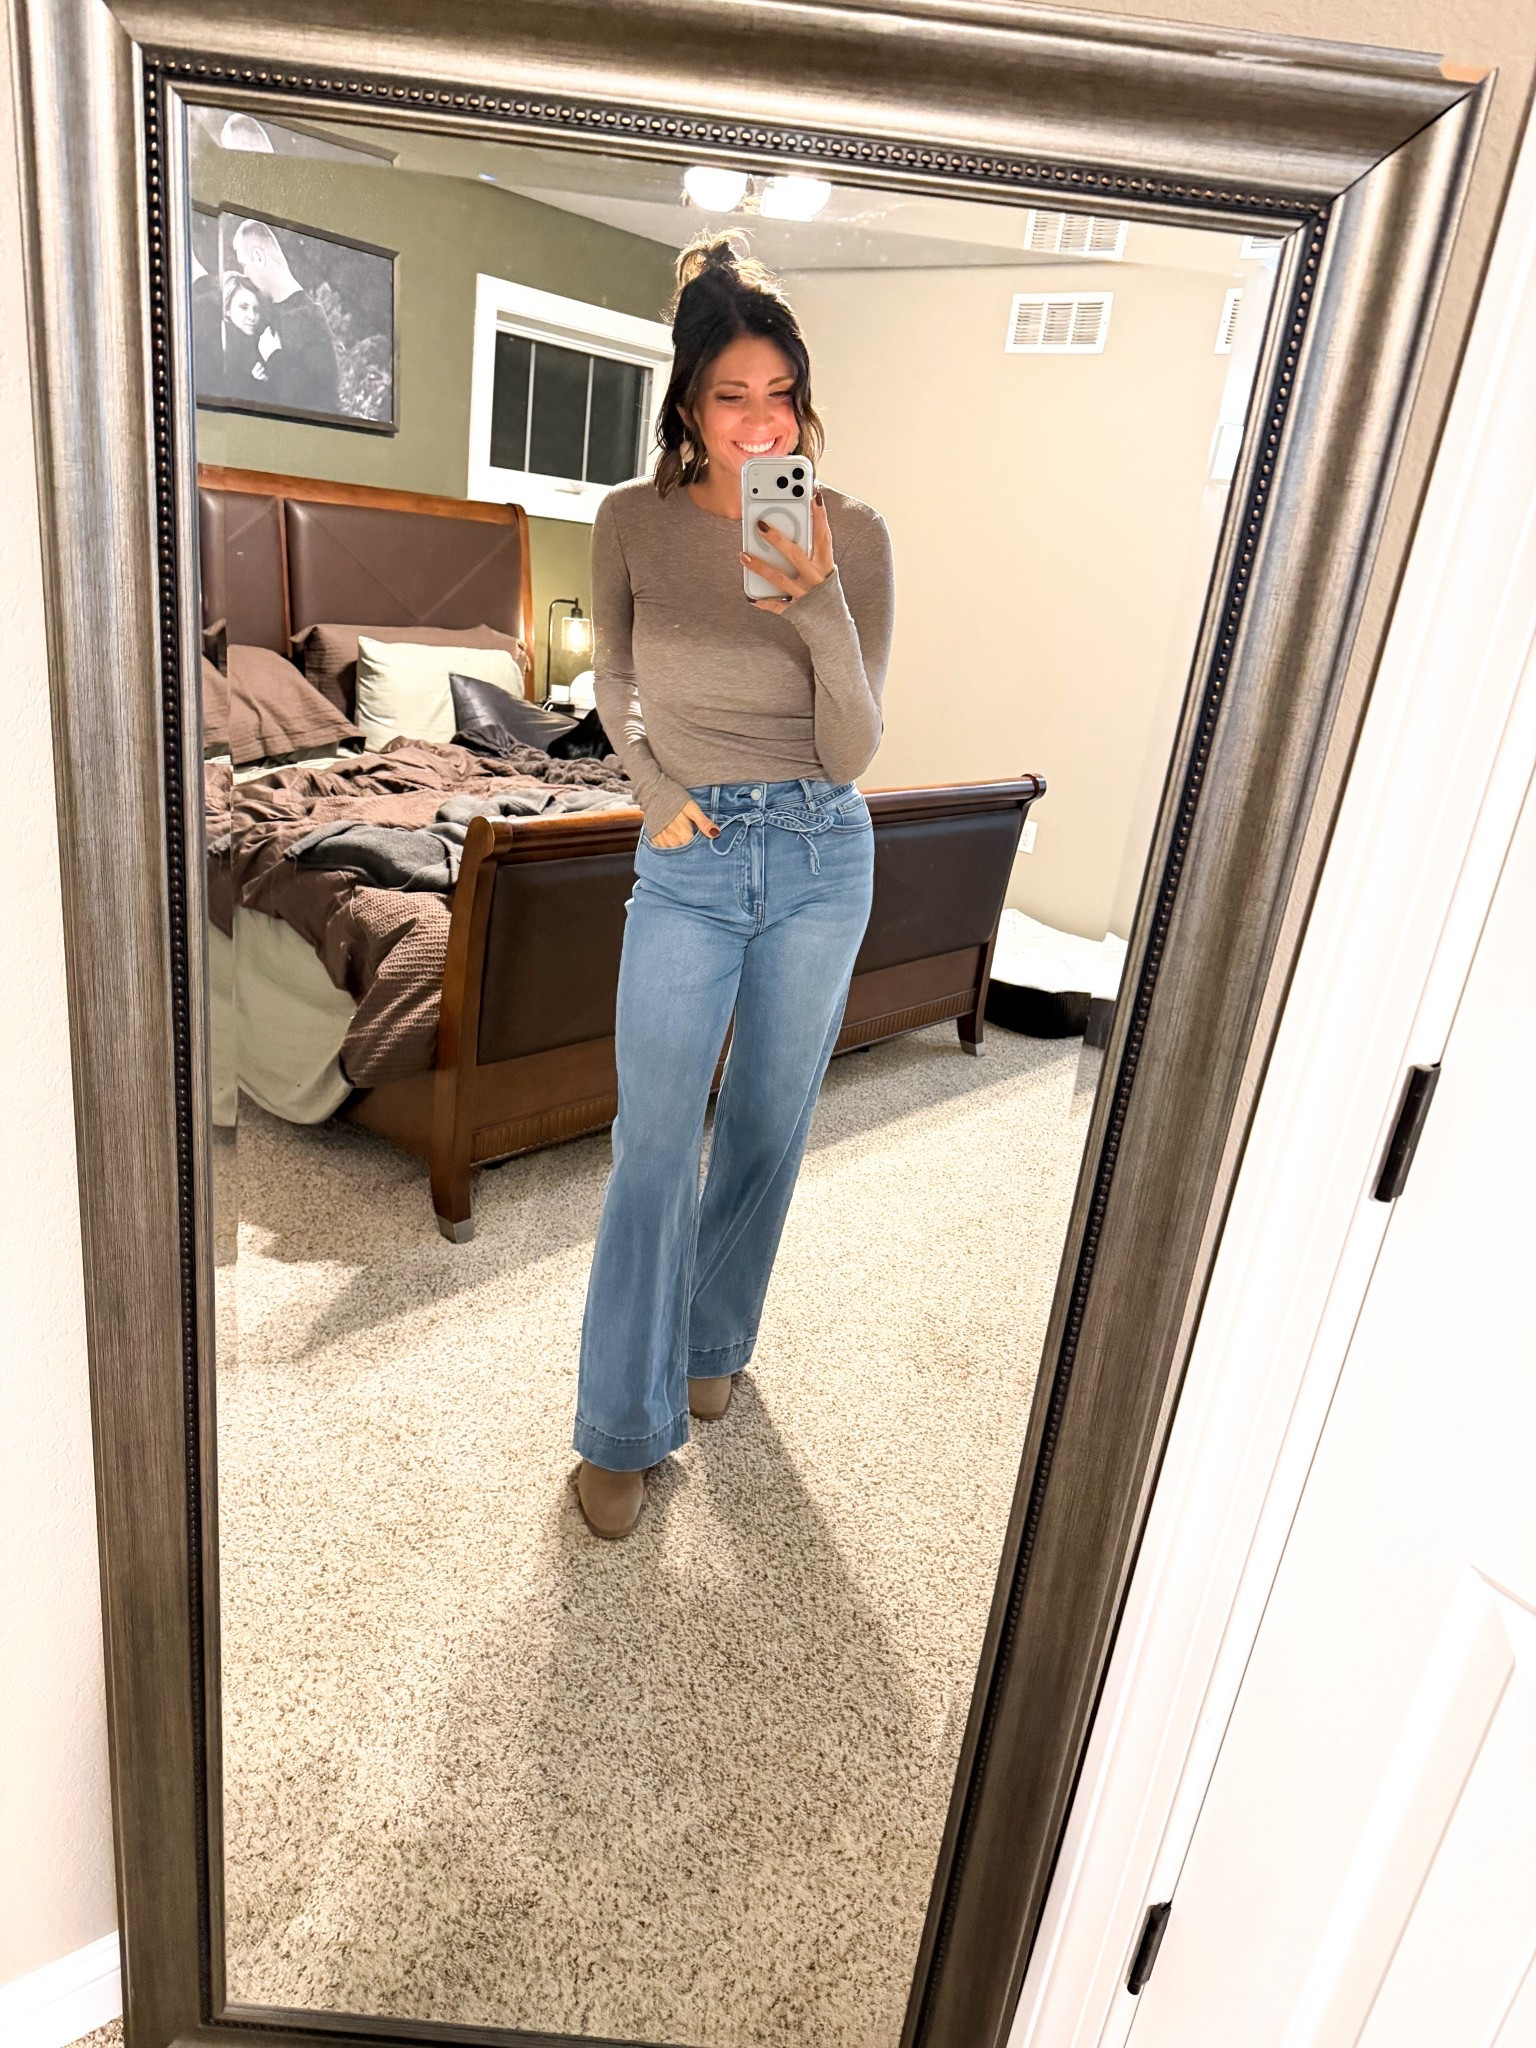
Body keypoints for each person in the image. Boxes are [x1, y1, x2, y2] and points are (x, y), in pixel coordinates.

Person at [573, 230, 895, 1540]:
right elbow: (610, 678)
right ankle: (619, 1423)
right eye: (731, 397)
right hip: (690, 856)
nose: (762, 422)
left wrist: (816, 602)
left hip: (821, 848)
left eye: (782, 394)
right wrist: (654, 791)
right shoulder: (631, 523)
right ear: (689, 409)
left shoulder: (852, 531)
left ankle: (716, 1340)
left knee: (768, 1120)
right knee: (652, 1142)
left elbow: (855, 749)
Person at [229, 217, 341, 415]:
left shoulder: (308, 317)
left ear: (259, 258)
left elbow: (325, 404)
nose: (245, 274)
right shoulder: (267, 312)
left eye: (244, 265)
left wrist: (274, 358)